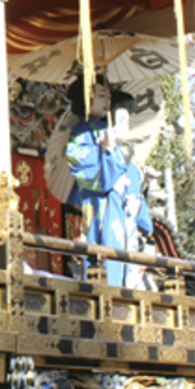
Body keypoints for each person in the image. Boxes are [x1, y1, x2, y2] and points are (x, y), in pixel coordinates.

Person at [64, 78, 152, 288]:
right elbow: (94, 177)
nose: (106, 99)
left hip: (124, 214)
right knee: (107, 262)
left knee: (128, 266)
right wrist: (107, 151)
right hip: (103, 210)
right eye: (100, 94)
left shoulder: (111, 135)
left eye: (108, 95)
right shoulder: (82, 134)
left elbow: (128, 181)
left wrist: (142, 184)